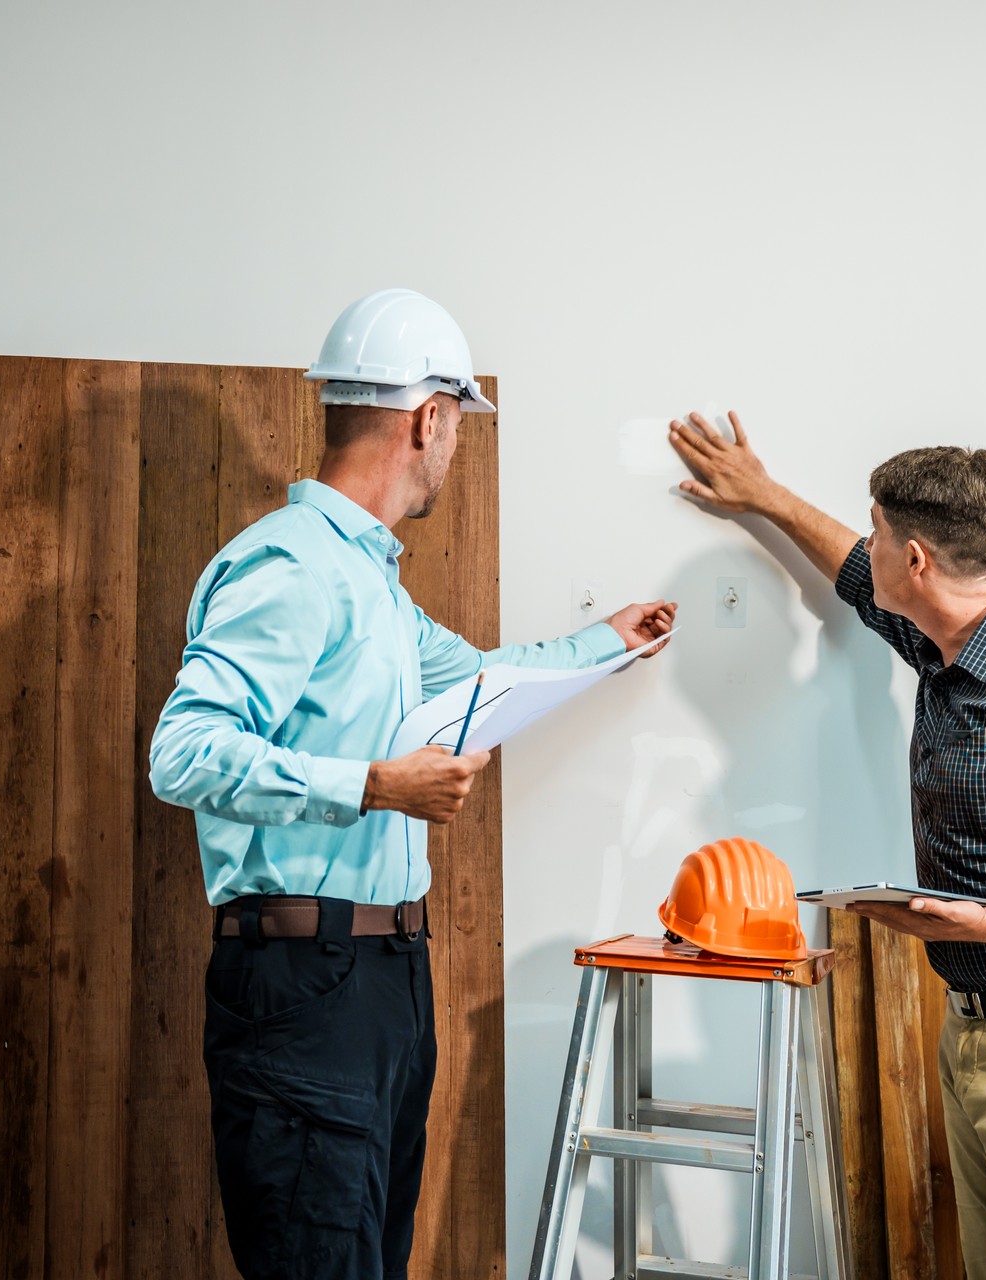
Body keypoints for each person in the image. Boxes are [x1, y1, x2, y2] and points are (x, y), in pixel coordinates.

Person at [149, 288, 676, 1280]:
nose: (454, 450)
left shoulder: (373, 586)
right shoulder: (291, 564)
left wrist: (607, 642)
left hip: (384, 978)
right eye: (454, 427)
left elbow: (485, 675)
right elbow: (184, 749)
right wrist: (375, 785)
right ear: (427, 418)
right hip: (306, 984)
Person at [668, 411, 986, 1280]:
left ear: (916, 558)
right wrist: (763, 497)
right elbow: (854, 577)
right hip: (981, 1028)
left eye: (877, 531)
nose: (867, 547)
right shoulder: (949, 645)